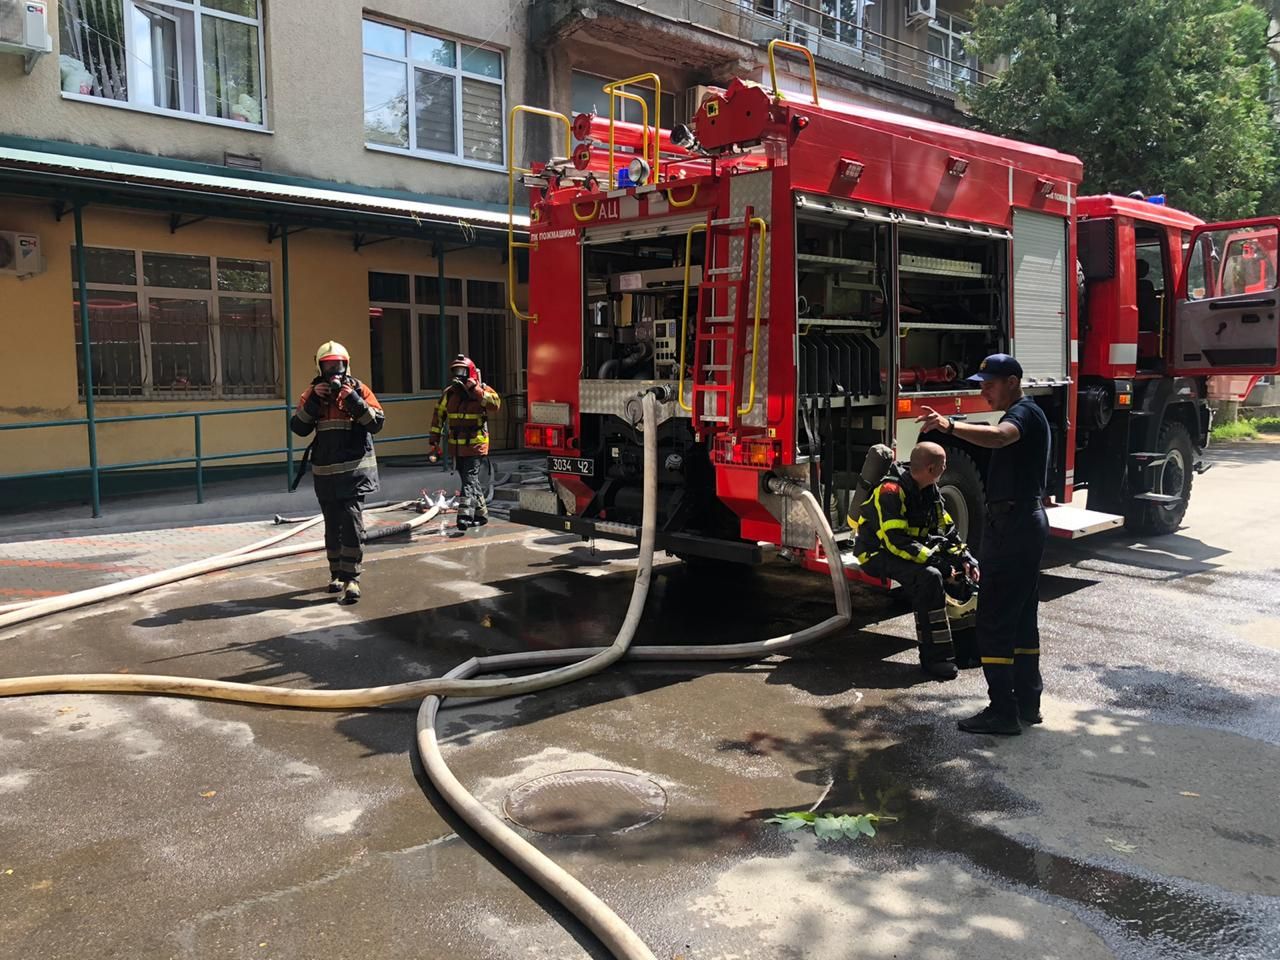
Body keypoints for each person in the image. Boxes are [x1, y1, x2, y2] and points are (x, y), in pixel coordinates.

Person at [918, 353, 1050, 735]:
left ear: (1012, 381)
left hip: (1013, 525)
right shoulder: (1024, 412)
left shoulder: (1023, 414)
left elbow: (1001, 436)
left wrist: (950, 426)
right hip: (1021, 523)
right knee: (1023, 618)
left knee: (991, 619)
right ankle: (1028, 703)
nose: (983, 391)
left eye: (989, 384)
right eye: (981, 384)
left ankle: (1002, 711)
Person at [851, 441, 979, 681]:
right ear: (931, 468)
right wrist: (938, 562)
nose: (946, 466)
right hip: (876, 554)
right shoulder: (890, 491)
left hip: (906, 550)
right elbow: (895, 542)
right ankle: (934, 659)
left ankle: (965, 649)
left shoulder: (930, 489)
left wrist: (963, 555)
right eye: (943, 463)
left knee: (958, 575)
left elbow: (947, 528)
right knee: (929, 577)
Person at [290, 341, 384, 604]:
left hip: (355, 473)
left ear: (347, 365)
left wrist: (352, 399)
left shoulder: (358, 389)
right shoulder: (313, 393)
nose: (334, 372)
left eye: (338, 366)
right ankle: (336, 574)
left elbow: (376, 424)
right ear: (319, 367)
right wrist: (313, 402)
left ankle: (352, 578)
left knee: (352, 523)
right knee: (332, 525)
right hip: (326, 473)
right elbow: (298, 428)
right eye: (328, 366)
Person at [429, 354, 501, 531]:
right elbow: (438, 416)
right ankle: (482, 515)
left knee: (469, 480)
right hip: (457, 446)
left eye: (462, 372)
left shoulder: (482, 390)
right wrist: (434, 441)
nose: (459, 376)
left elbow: (495, 405)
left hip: (476, 444)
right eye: (456, 372)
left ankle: (464, 516)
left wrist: (476, 390)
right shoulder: (450, 393)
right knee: (470, 480)